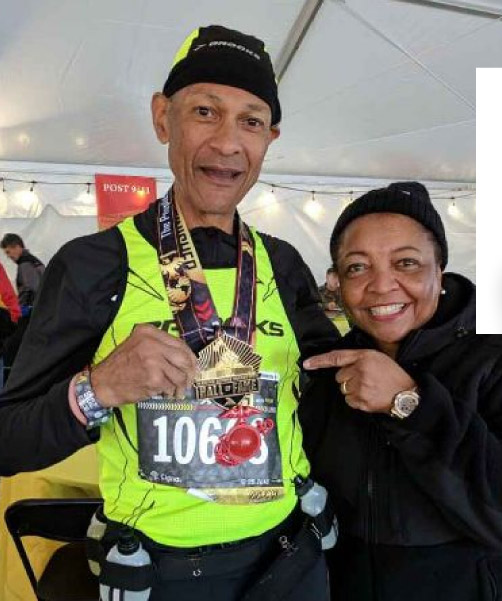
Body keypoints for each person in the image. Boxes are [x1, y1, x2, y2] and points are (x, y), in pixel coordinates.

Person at [0, 25, 338, 600]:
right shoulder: (93, 265)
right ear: (163, 118)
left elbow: (328, 397)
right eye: (205, 111)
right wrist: (96, 389)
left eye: (251, 121)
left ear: (270, 138)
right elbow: (9, 443)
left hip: (286, 558)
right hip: (160, 572)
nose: (228, 142)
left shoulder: (281, 264)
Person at [299, 182, 502, 601]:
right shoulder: (330, 369)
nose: (381, 285)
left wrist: (410, 404)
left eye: (405, 263)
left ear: (439, 271)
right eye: (357, 267)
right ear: (335, 284)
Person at [1, 233, 45, 311]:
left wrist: (20, 309)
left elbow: (29, 289)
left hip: (35, 310)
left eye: (8, 252)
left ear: (17, 247)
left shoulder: (25, 264)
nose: (8, 256)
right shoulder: (33, 260)